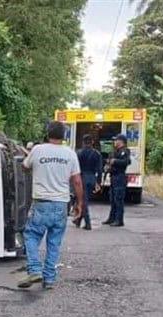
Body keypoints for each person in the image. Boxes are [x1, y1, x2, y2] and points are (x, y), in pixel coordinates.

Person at [18, 121, 83, 290]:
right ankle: (49, 279)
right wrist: (80, 204)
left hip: (41, 203)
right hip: (61, 204)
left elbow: (24, 166)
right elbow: (76, 181)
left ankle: (34, 269)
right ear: (64, 136)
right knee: (54, 242)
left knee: (31, 236)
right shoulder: (70, 154)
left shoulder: (38, 150)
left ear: (47, 133)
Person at [73, 135, 102, 230]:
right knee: (83, 199)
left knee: (82, 201)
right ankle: (78, 221)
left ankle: (88, 223)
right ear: (92, 142)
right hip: (92, 178)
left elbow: (75, 168)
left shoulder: (79, 153)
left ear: (83, 142)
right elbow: (99, 170)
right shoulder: (97, 154)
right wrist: (98, 182)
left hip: (81, 178)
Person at [102, 135, 131, 227]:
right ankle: (112, 218)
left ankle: (119, 220)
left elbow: (126, 162)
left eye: (116, 140)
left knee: (118, 199)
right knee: (113, 199)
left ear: (121, 141)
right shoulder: (115, 151)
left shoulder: (125, 151)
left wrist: (115, 161)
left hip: (120, 177)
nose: (114, 142)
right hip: (114, 177)